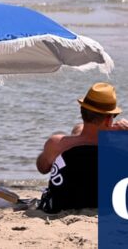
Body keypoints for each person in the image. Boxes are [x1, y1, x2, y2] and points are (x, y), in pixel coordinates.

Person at [36, 83, 128, 213]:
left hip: (62, 205)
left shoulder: (57, 144)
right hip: (106, 206)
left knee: (78, 130)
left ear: (82, 111)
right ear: (108, 120)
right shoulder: (121, 147)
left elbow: (42, 167)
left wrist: (75, 139)